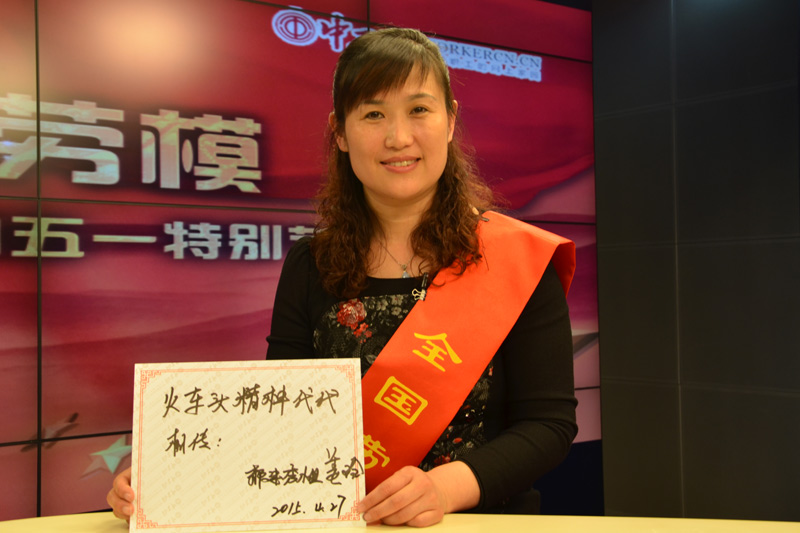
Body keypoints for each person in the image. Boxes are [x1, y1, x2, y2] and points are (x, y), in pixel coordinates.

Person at [108, 27, 577, 528]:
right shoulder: (311, 264)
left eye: (419, 110)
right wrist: (171, 477)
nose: (398, 138)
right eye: (373, 115)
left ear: (450, 121)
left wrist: (444, 489)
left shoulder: (514, 258)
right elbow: (279, 421)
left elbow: (547, 425)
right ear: (340, 132)